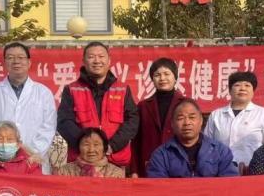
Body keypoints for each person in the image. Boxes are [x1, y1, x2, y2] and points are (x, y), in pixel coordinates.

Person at [56, 41, 139, 169]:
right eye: (91, 57)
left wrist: (110, 146)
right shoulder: (72, 89)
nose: (97, 61)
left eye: (101, 56)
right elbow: (64, 121)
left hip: (115, 162)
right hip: (81, 163)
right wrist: (86, 146)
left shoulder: (122, 89)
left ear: (109, 61)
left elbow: (132, 121)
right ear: (84, 61)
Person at [0, 42, 56, 173]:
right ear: (5, 63)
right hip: (1, 162)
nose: (16, 61)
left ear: (29, 62)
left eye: (20, 57)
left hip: (34, 161)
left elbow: (48, 128)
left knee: (34, 186)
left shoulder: (43, 92)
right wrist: (4, 152)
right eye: (10, 57)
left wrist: (32, 153)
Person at [147, 99, 238, 178]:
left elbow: (230, 184)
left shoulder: (220, 151)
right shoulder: (161, 155)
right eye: (181, 118)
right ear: (172, 124)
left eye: (192, 117)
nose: (187, 123)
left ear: (201, 121)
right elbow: (158, 188)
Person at [204, 71, 264, 171]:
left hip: (253, 171)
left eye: (247, 85)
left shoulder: (263, 114)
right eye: (237, 85)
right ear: (230, 90)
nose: (242, 88)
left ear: (253, 91)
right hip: (220, 171)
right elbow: (207, 145)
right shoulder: (216, 115)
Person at [131, 58, 185, 178]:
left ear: (175, 77)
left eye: (166, 74)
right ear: (152, 79)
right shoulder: (143, 106)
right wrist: (134, 170)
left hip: (180, 165)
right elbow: (136, 142)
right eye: (157, 75)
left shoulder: (186, 104)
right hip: (150, 164)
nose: (162, 78)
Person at [54, 128, 125, 178]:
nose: (91, 150)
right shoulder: (64, 172)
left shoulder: (116, 173)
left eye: (96, 145)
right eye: (86, 144)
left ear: (104, 148)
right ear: (79, 147)